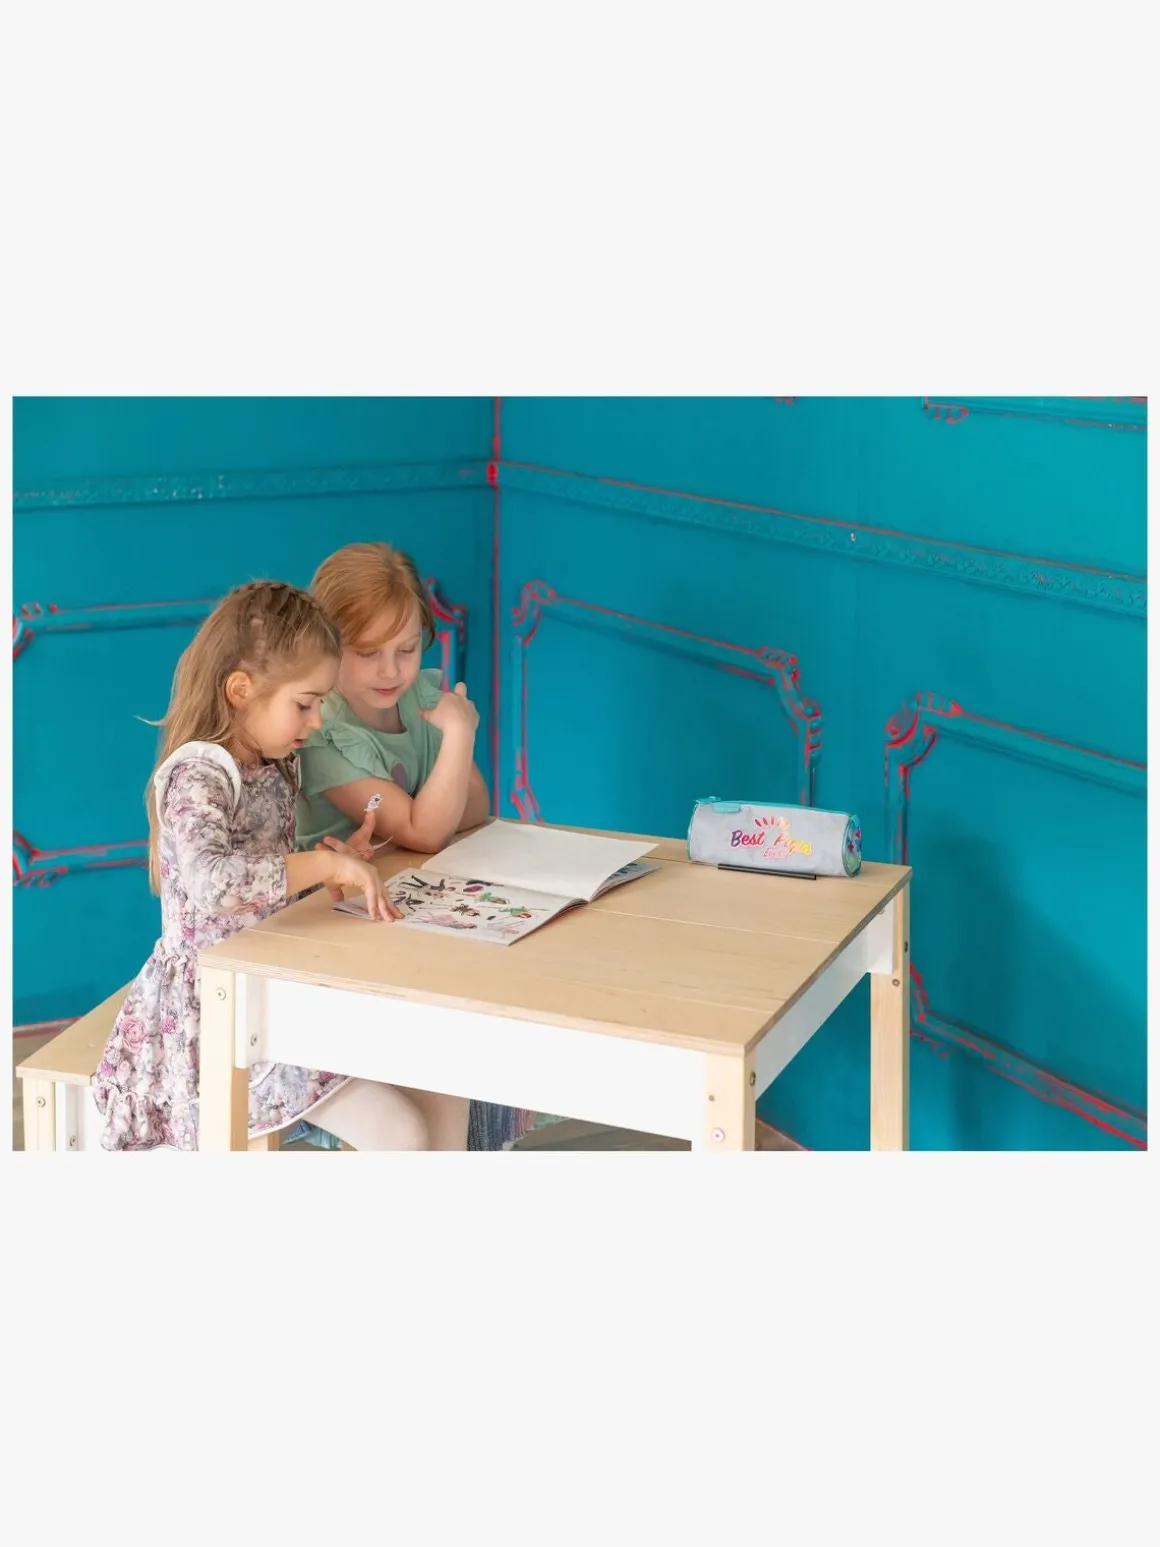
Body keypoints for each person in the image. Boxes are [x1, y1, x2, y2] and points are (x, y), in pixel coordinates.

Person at [92, 579, 470, 1151]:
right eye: (305, 704)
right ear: (241, 690)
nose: (316, 722)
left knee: (444, 1076)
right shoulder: (200, 775)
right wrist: (320, 867)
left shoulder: (271, 762)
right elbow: (213, 885)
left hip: (278, 982)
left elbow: (264, 880)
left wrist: (330, 862)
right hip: (221, 1014)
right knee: (401, 1131)